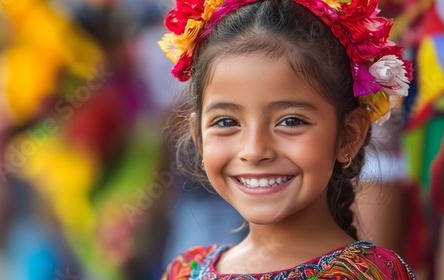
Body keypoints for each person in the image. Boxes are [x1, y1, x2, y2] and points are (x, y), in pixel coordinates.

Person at [158, 0, 416, 278]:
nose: (255, 150)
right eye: (227, 122)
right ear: (198, 136)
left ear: (349, 135)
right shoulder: (184, 271)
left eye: (290, 121)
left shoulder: (369, 274)